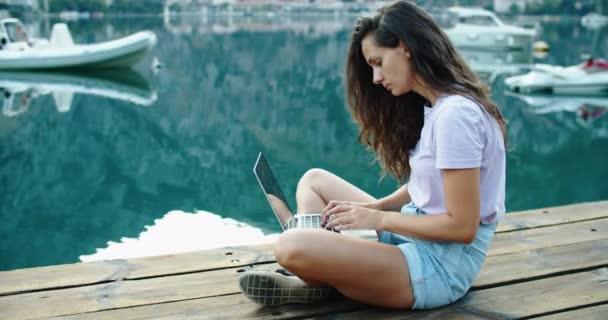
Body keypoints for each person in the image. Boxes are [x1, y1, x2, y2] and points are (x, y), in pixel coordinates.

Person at [239, 0, 506, 310]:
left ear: (405, 47)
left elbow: (462, 227)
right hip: (413, 236)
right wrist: (377, 206)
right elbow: (431, 184)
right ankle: (324, 270)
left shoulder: (455, 116)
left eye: (378, 62)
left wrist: (378, 219)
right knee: (314, 182)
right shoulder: (440, 107)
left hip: (437, 267)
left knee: (289, 246)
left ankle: (317, 276)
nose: (376, 78)